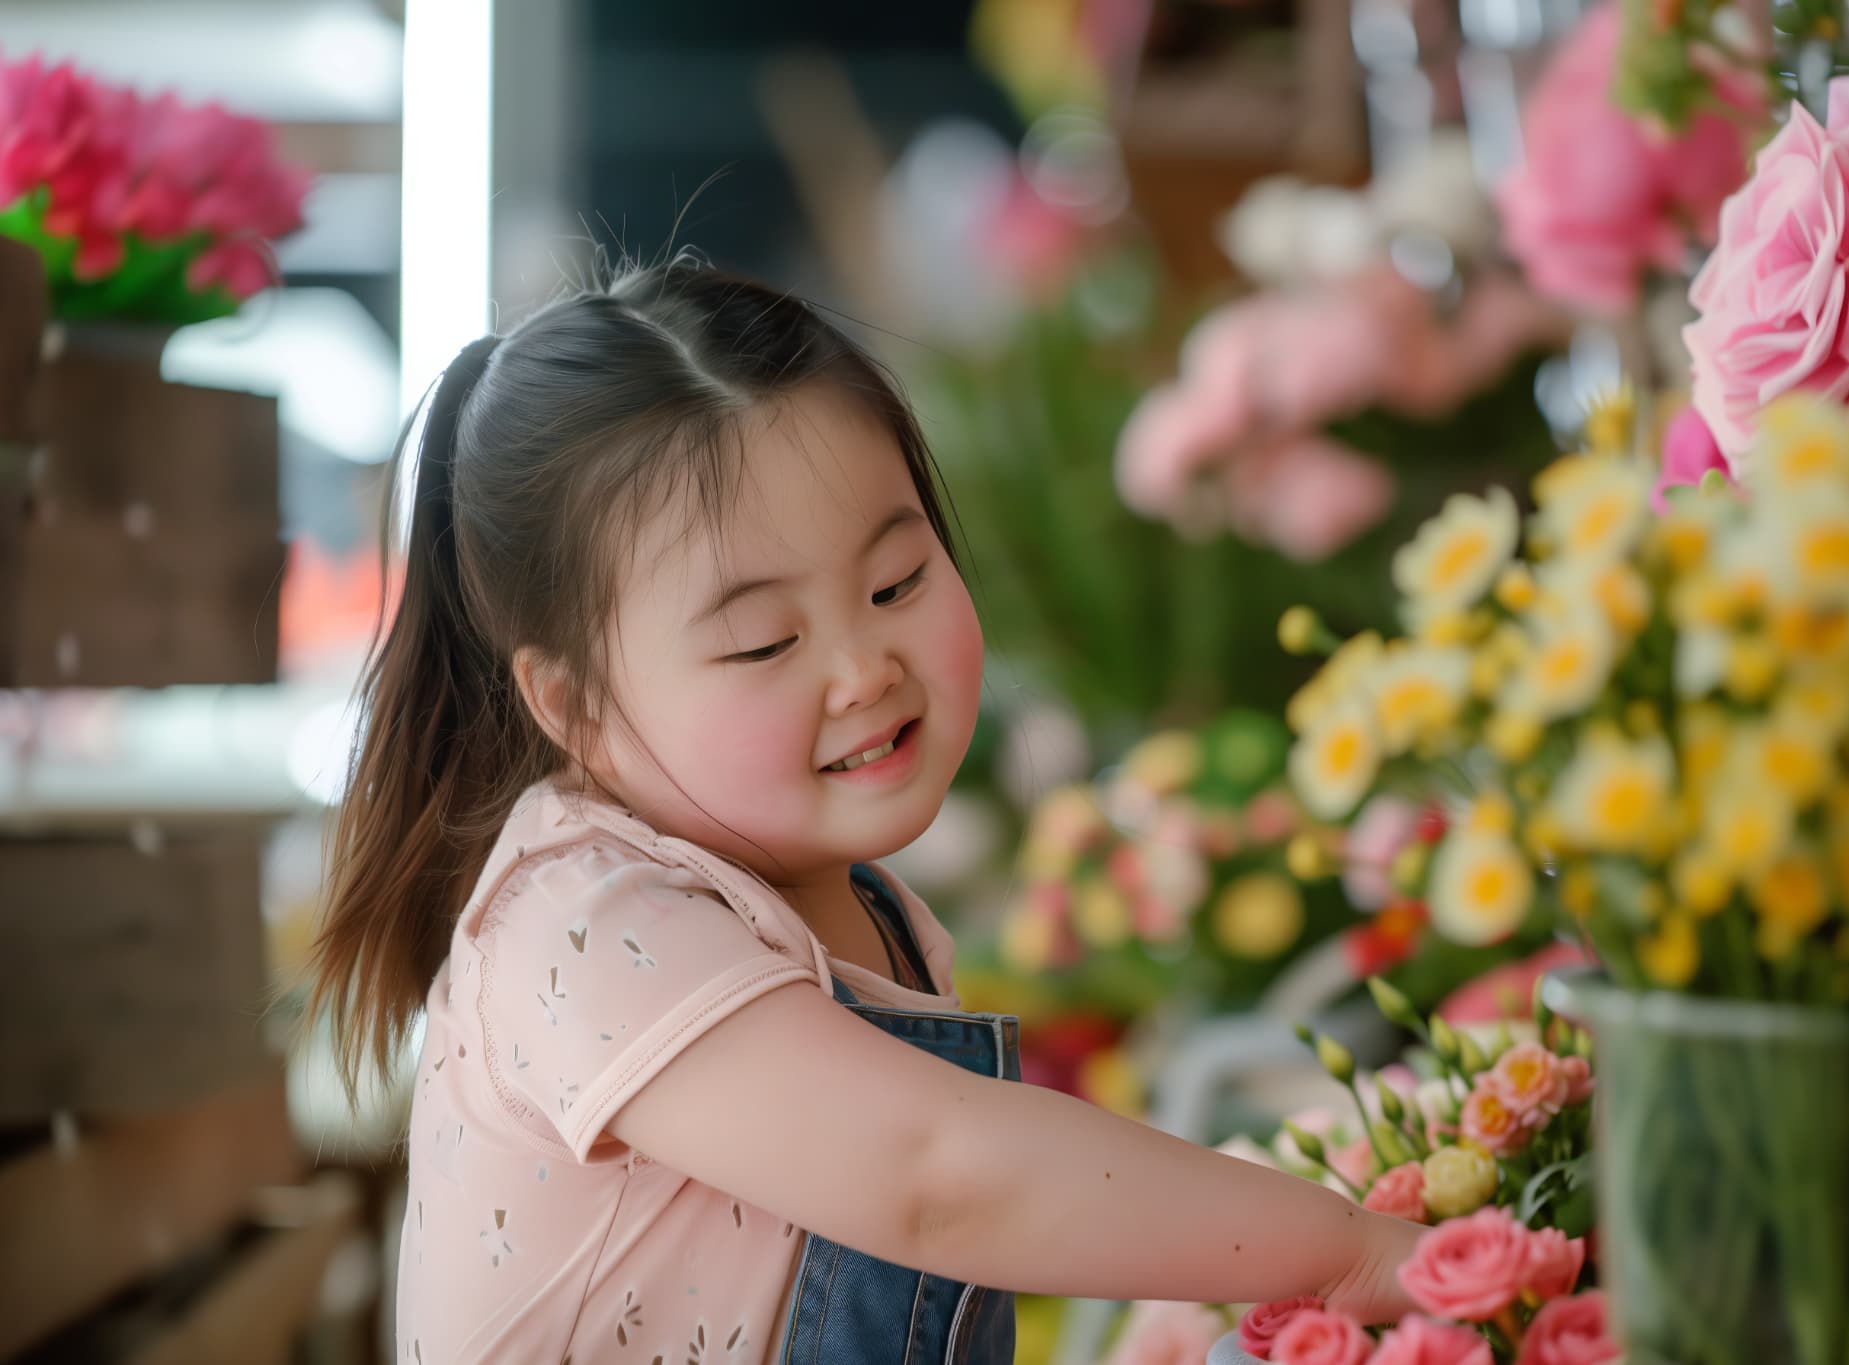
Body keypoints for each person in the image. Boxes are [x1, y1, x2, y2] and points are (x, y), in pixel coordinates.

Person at [308, 255, 1423, 1364]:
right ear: (573, 703)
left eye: (896, 583)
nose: (863, 670)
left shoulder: (835, 893)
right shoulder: (584, 921)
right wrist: (1345, 1252)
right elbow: (934, 1177)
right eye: (763, 642)